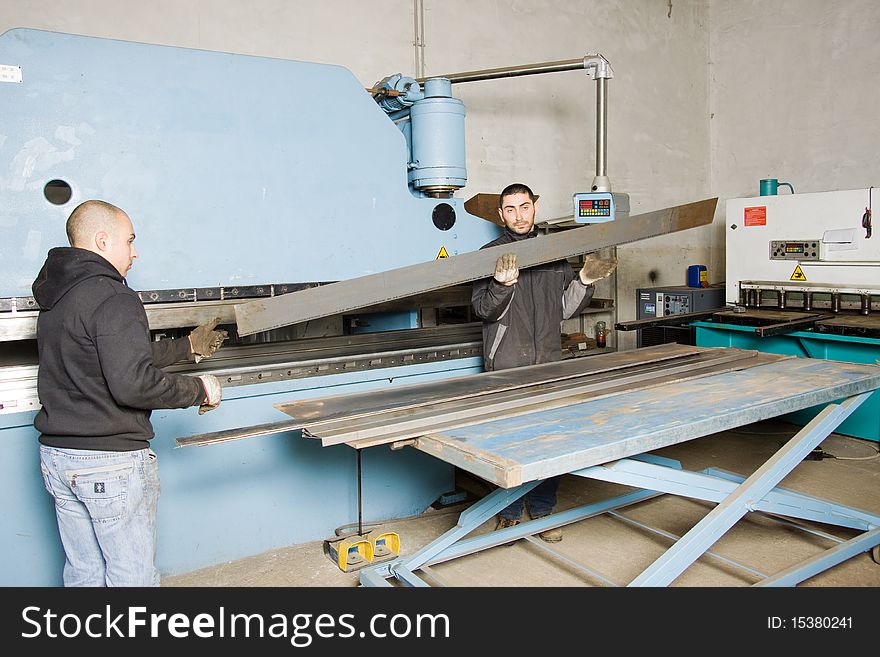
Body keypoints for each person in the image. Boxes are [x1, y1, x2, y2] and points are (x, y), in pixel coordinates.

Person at [32, 199, 228, 587]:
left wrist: (185, 347)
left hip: (58, 457)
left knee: (84, 574)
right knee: (132, 579)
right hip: (109, 463)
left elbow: (109, 352)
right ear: (103, 240)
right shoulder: (114, 296)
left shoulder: (57, 297)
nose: (135, 252)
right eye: (129, 241)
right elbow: (132, 382)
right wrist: (199, 389)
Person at [471, 183, 617, 542]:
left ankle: (542, 510)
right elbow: (482, 310)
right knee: (507, 440)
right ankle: (506, 514)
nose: (519, 216)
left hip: (548, 361)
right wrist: (501, 284)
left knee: (548, 438)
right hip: (506, 362)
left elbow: (563, 311)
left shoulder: (555, 254)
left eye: (524, 207)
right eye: (510, 209)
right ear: (500, 214)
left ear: (535, 207)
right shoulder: (488, 255)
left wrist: (583, 280)